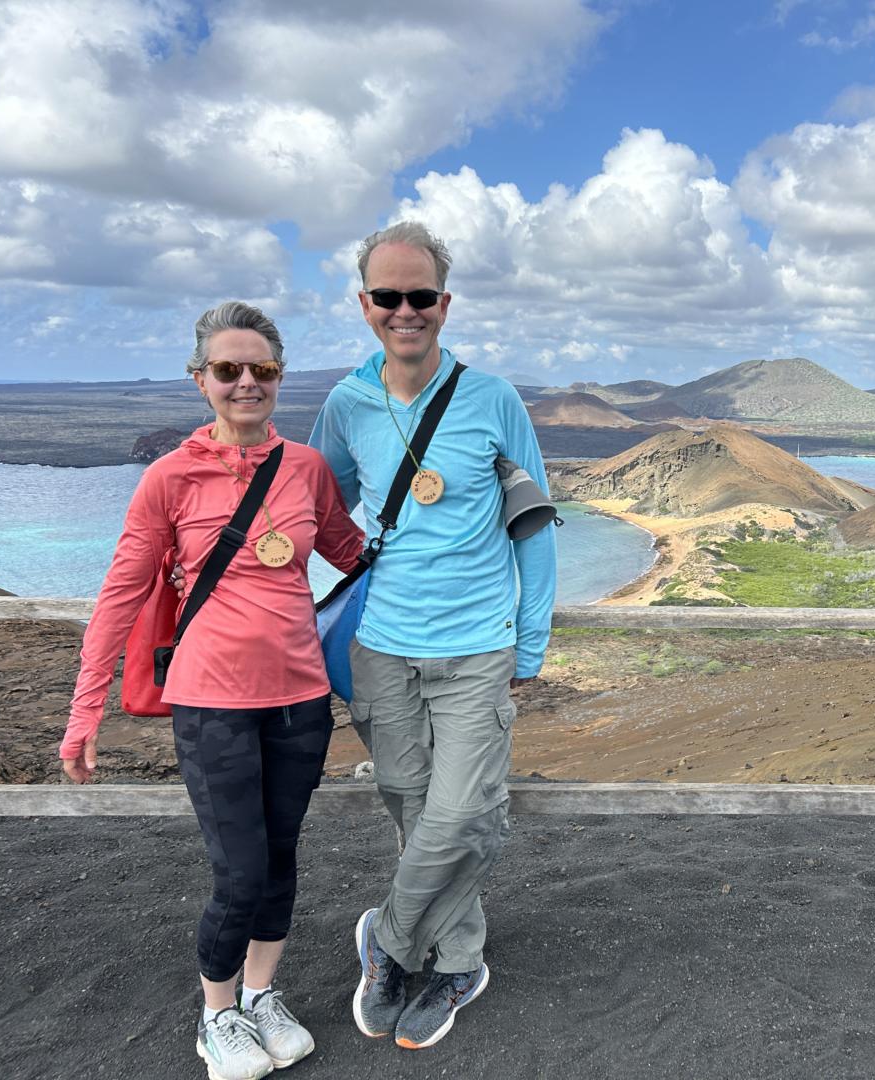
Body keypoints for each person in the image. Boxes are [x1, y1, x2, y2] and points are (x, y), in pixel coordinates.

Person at [60, 302, 367, 1080]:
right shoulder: (169, 477)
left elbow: (354, 554)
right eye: (227, 370)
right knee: (239, 873)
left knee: (282, 857)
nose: (245, 383)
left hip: (300, 700)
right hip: (212, 704)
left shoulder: (306, 470)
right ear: (201, 380)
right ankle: (217, 1014)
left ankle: (263, 996)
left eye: (261, 369)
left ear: (279, 378)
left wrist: (463, 544)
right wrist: (84, 710)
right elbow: (121, 595)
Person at [308, 221, 556, 1050]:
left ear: (444, 304)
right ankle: (458, 961)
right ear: (365, 304)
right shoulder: (347, 403)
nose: (405, 310)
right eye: (389, 296)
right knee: (417, 815)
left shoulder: (493, 399)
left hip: (476, 650)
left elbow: (535, 527)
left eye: (421, 296)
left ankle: (389, 939)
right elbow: (317, 508)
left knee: (463, 815)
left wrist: (530, 639)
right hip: (379, 651)